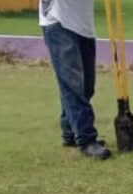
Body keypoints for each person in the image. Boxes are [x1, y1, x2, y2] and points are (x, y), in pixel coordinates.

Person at [39, 0, 111, 160]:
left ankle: (70, 131)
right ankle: (86, 139)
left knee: (86, 86)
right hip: (58, 22)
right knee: (73, 85)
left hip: (83, 25)